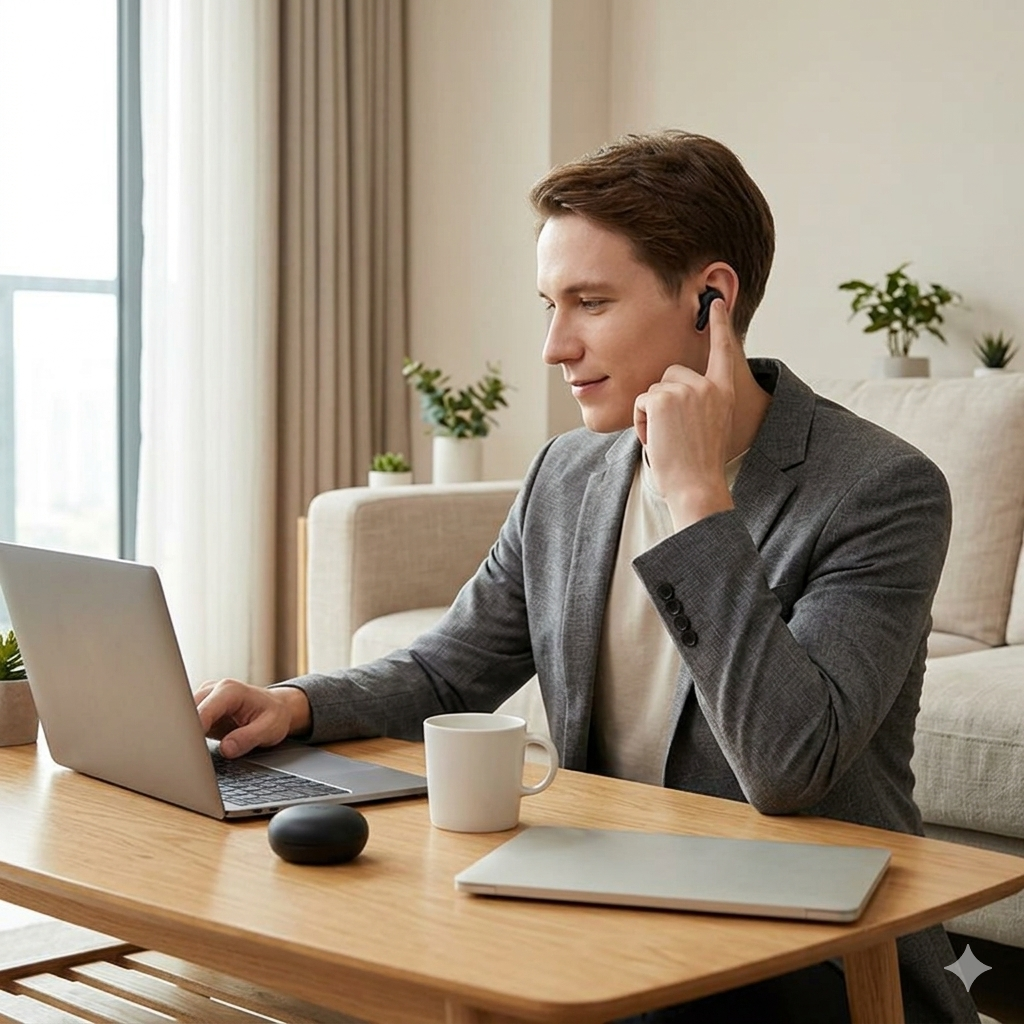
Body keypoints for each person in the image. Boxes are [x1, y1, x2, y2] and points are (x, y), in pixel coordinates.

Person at [196, 131, 978, 1023]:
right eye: (548, 305)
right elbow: (451, 669)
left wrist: (697, 497)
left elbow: (788, 765)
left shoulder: (880, 489)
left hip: (807, 961)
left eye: (591, 303)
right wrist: (293, 705)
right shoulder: (566, 475)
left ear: (709, 299)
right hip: (605, 920)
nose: (555, 346)